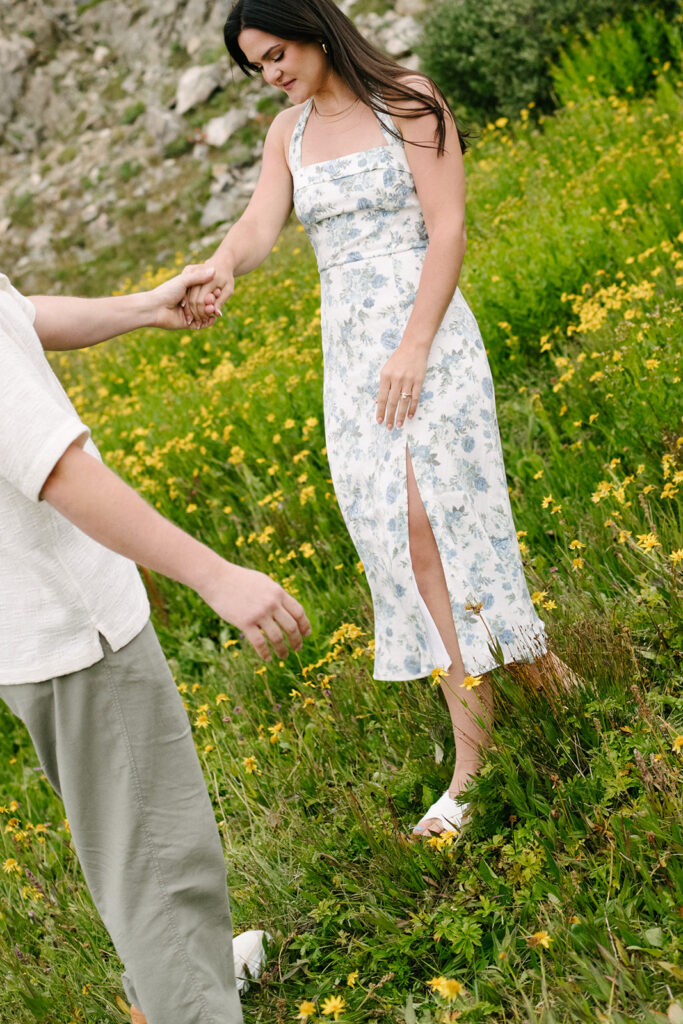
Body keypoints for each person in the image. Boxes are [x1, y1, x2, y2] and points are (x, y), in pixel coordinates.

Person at [185, 0, 564, 837]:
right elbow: (257, 224)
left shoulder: (410, 101)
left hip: (426, 340)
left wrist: (415, 345)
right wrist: (221, 266)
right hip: (353, 357)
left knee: (438, 522)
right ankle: (543, 680)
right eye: (256, 66)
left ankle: (473, 765)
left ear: (314, 31)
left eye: (276, 52)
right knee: (396, 534)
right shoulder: (286, 135)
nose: (271, 73)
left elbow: (449, 227)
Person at [0, 264, 311, 1024]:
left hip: (27, 626)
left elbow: (21, 316)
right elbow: (59, 471)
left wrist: (144, 306)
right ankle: (189, 999)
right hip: (77, 630)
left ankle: (180, 979)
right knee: (162, 868)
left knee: (132, 846)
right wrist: (216, 576)